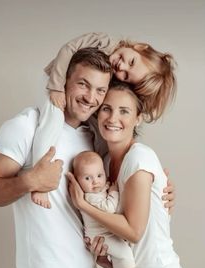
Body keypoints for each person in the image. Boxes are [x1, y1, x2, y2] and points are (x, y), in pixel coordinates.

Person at [0, 48, 175, 268]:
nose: (91, 97)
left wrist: (160, 192)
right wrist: (30, 181)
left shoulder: (93, 137)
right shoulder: (27, 126)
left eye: (100, 90)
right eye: (83, 84)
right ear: (64, 81)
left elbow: (115, 195)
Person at [67, 80, 187, 268]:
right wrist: (100, 251)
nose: (113, 118)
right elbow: (111, 225)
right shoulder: (101, 164)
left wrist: (83, 205)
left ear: (138, 118)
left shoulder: (139, 158)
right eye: (107, 109)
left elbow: (134, 231)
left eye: (124, 111)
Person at [31, 32, 177, 206]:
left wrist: (156, 182)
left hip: (90, 224)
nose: (121, 67)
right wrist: (56, 86)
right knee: (52, 120)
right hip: (54, 83)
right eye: (131, 61)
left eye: (126, 76)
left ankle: (101, 187)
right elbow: (69, 48)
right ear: (139, 47)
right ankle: (40, 182)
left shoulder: (111, 83)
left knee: (104, 141)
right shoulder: (104, 42)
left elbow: (122, 131)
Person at [72, 150, 147, 268]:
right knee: (124, 251)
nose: (95, 182)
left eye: (99, 175)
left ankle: (103, 259)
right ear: (77, 180)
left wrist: (106, 187)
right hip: (100, 235)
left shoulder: (97, 190)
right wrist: (113, 192)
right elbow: (109, 208)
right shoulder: (89, 197)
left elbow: (102, 189)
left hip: (104, 232)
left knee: (120, 248)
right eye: (87, 178)